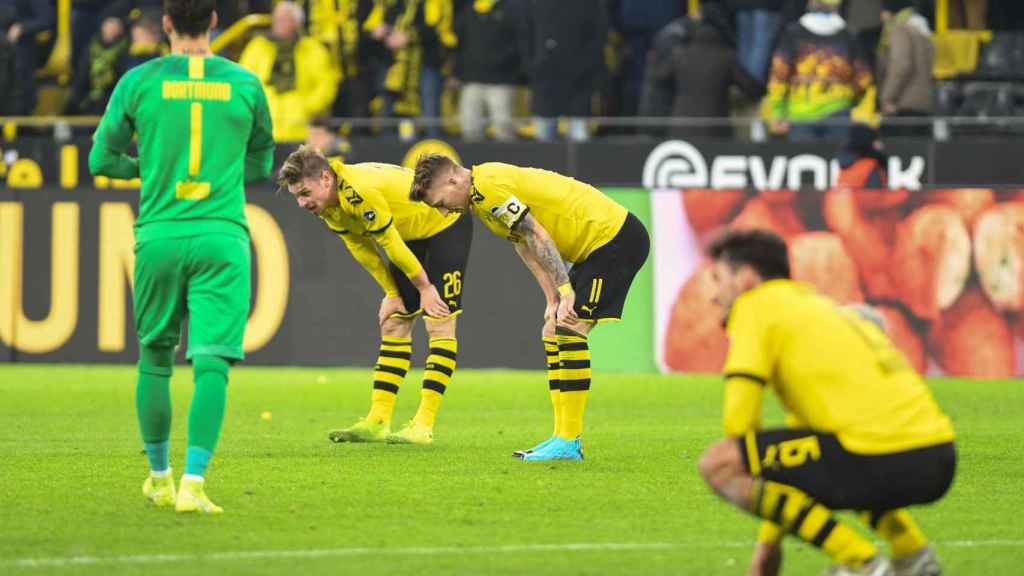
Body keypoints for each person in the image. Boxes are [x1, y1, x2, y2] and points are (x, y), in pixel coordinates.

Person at [88, 0, 275, 514]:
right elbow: (262, 161)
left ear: (166, 24)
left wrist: (149, 171)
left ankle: (158, 476)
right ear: (214, 22)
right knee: (212, 360)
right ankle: (194, 483)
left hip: (159, 235)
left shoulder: (138, 81)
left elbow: (100, 158)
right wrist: (225, 175)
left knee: (154, 357)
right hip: (221, 235)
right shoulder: (245, 83)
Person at [697, 229, 956, 576]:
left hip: (882, 456)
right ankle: (912, 555)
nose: (714, 295)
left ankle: (862, 563)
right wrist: (768, 545)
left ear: (746, 278)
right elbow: (797, 456)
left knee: (719, 462)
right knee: (831, 454)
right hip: (936, 455)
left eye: (718, 279)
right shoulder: (818, 307)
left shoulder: (755, 307)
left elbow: (739, 430)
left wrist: (767, 529)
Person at [410, 155, 650, 461]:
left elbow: (537, 233)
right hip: (597, 248)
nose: (445, 211)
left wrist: (565, 290)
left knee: (570, 328)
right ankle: (562, 438)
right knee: (553, 329)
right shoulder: (483, 199)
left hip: (615, 240)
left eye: (441, 202)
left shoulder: (488, 188)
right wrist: (552, 297)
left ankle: (568, 441)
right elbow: (524, 244)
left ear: (454, 180)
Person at [276, 146, 471, 445]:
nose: (302, 203)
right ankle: (378, 420)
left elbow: (388, 242)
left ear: (326, 178)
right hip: (410, 238)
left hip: (445, 224)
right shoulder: (328, 205)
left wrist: (424, 288)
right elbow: (361, 249)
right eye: (297, 197)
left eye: (305, 192)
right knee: (394, 321)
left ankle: (423, 424)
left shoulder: (358, 190)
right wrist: (392, 292)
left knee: (439, 318)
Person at [766, 0, 873, 141]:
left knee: (804, 160)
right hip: (839, 112)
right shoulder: (849, 35)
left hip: (800, 114)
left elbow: (779, 73)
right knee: (838, 161)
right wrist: (856, 105)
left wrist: (778, 111)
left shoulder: (793, 33)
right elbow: (863, 78)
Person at [238, 1, 338, 142]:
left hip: (301, 130)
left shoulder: (313, 49)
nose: (278, 22)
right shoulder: (257, 48)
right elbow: (243, 83)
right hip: (263, 129)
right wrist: (257, 111)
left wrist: (306, 108)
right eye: (277, 18)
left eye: (285, 19)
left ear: (297, 23)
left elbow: (326, 85)